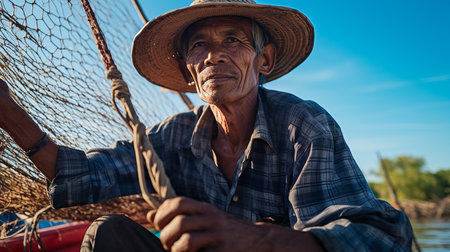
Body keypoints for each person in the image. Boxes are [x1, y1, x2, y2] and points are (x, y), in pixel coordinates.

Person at [0, 0, 413, 251]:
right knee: (109, 234)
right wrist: (9, 114)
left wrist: (256, 240)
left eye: (233, 40)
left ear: (263, 60)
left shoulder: (303, 125)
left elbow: (376, 240)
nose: (215, 55)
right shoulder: (172, 136)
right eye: (200, 45)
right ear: (189, 70)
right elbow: (81, 176)